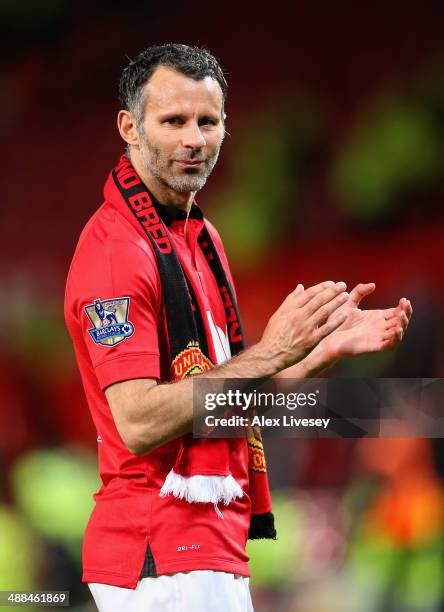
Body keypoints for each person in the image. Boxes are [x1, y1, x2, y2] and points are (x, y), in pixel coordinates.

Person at [64, 43, 412, 612]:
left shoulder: (199, 239)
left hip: (210, 547)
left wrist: (310, 356)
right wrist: (270, 351)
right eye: (173, 120)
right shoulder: (117, 252)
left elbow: (225, 404)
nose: (194, 139)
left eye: (209, 121)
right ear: (129, 127)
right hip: (158, 556)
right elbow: (138, 421)